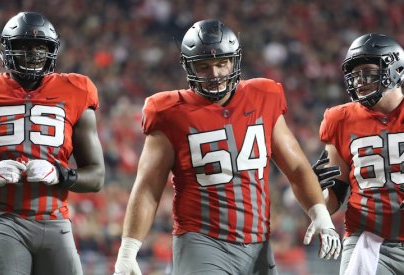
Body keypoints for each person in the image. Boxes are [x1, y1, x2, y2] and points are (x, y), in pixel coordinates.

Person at [113, 19, 340, 275]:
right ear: (189, 68)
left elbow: (297, 167)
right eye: (204, 66)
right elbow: (148, 187)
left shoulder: (262, 96)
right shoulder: (169, 111)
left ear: (235, 61)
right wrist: (128, 249)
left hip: (258, 242)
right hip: (201, 241)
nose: (215, 74)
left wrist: (320, 214)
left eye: (222, 63)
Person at [0, 11, 105, 275]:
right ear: (6, 50)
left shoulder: (76, 90)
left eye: (40, 47)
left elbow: (96, 176)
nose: (33, 54)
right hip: (2, 220)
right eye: (23, 47)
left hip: (55, 220)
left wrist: (60, 174)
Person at [317, 32, 404, 275]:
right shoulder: (339, 118)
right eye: (354, 75)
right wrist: (316, 191)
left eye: (367, 71)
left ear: (395, 68)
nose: (358, 81)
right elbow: (333, 197)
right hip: (370, 241)